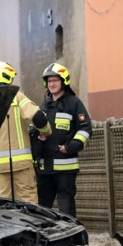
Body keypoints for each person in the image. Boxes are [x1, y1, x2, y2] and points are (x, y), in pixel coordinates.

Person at [0, 61, 51, 203]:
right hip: (22, 164)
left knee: (1, 205)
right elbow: (39, 118)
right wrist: (46, 132)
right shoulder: (17, 97)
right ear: (5, 76)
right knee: (28, 204)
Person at [35, 62, 91, 217]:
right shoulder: (44, 105)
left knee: (66, 208)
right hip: (44, 168)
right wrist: (38, 137)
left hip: (65, 168)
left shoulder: (74, 103)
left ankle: (70, 232)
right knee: (42, 208)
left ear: (63, 81)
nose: (51, 84)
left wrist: (70, 147)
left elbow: (85, 129)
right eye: (49, 81)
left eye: (55, 80)